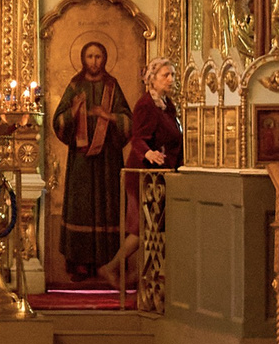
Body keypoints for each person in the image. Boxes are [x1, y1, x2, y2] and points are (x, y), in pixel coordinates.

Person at [51, 41, 130, 283]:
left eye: (98, 57)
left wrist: (111, 117)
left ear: (104, 59)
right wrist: (73, 112)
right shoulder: (76, 86)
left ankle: (107, 260)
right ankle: (80, 262)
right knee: (82, 205)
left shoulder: (112, 86)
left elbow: (128, 120)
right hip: (81, 160)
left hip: (108, 158)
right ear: (83, 59)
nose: (94, 61)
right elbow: (58, 121)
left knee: (107, 205)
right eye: (89, 56)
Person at [108, 57, 182, 289]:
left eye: (172, 75)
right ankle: (112, 268)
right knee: (142, 228)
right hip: (143, 176)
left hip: (162, 175)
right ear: (152, 80)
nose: (171, 79)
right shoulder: (145, 105)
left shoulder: (167, 105)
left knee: (153, 227)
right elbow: (137, 137)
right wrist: (148, 153)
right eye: (165, 75)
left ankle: (142, 278)